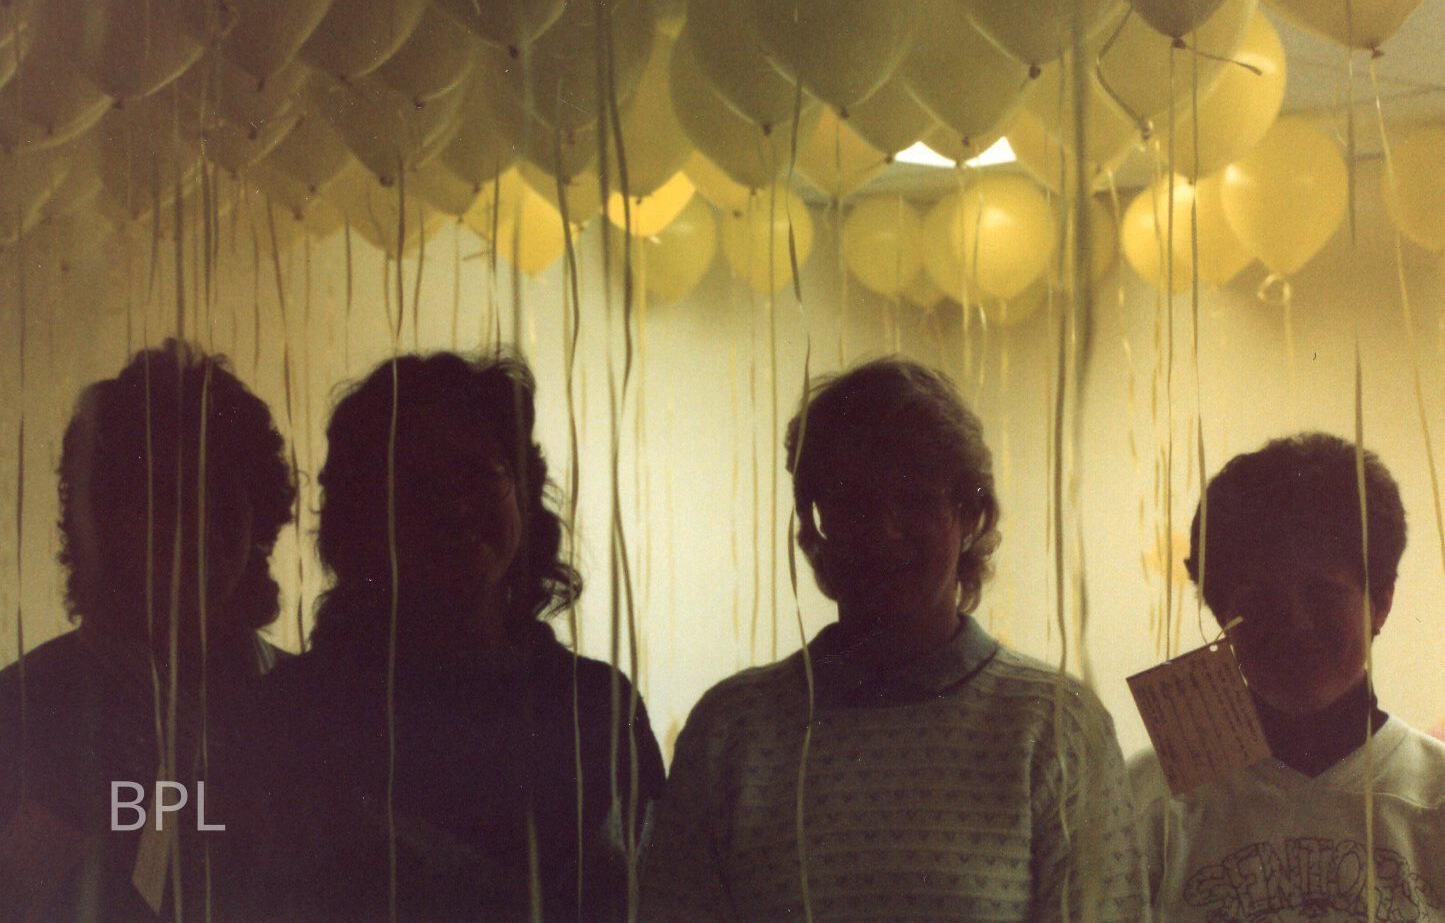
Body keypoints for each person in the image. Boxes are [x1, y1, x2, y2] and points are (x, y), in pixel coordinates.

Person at [641, 357, 1147, 923]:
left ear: (970, 516)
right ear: (815, 522)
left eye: (915, 498)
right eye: (854, 502)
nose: (884, 530)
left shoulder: (1054, 724)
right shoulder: (732, 729)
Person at [245, 351, 665, 923]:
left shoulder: (597, 706)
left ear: (523, 494)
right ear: (362, 513)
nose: (456, 505)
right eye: (417, 482)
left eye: (479, 473)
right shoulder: (289, 717)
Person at [0, 341, 297, 922]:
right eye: (160, 496)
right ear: (103, 518)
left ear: (257, 517)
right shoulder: (24, 709)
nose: (190, 526)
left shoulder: (304, 704)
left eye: (216, 496)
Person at [1131, 433, 1445, 922]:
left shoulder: (1435, 795)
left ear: (1380, 602)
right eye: (1262, 600)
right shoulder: (1148, 797)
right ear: (1222, 614)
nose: (1295, 624)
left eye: (1322, 593)